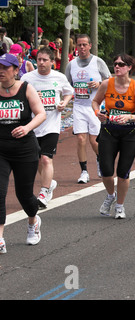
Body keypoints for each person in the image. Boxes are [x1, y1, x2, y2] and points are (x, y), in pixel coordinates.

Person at [93, 54, 135, 219]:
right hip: (109, 131)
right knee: (106, 171)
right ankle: (111, 195)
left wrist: (129, 117)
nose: (117, 67)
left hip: (130, 133)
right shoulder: (107, 84)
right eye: (115, 64)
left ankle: (119, 206)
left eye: (121, 64)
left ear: (129, 67)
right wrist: (98, 113)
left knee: (123, 172)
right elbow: (95, 102)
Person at [0, 53, 46, 254]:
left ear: (15, 70)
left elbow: (41, 113)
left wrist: (27, 128)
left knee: (24, 194)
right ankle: (0, 238)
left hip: (25, 149)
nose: (1, 72)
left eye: (5, 68)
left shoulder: (26, 89)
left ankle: (33, 220)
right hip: (1, 149)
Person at [21, 47, 74, 209]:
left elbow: (69, 92)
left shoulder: (59, 77)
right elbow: (20, 96)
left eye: (45, 60)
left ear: (52, 62)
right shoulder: (27, 78)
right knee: (35, 160)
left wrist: (64, 103)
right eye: (39, 60)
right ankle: (49, 183)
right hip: (32, 126)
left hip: (51, 125)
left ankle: (44, 191)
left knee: (46, 158)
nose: (41, 63)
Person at [65, 34, 111, 183]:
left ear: (90, 46)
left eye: (85, 45)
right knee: (80, 138)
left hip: (95, 106)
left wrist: (99, 84)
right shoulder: (71, 65)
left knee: (94, 140)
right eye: (79, 45)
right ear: (76, 47)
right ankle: (84, 171)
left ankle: (99, 161)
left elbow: (110, 80)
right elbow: (66, 84)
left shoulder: (98, 62)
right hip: (79, 106)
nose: (82, 48)